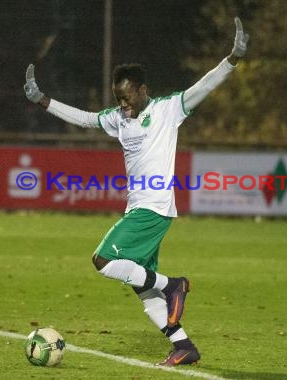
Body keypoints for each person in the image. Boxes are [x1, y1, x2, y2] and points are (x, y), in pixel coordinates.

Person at [24, 17, 249, 366]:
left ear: (143, 90)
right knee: (144, 290)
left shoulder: (167, 109)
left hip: (154, 207)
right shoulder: (119, 118)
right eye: (119, 99)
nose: (124, 105)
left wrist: (232, 59)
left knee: (103, 260)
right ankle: (183, 346)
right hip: (140, 208)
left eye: (128, 98)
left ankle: (174, 284)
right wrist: (44, 101)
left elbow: (203, 87)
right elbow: (86, 119)